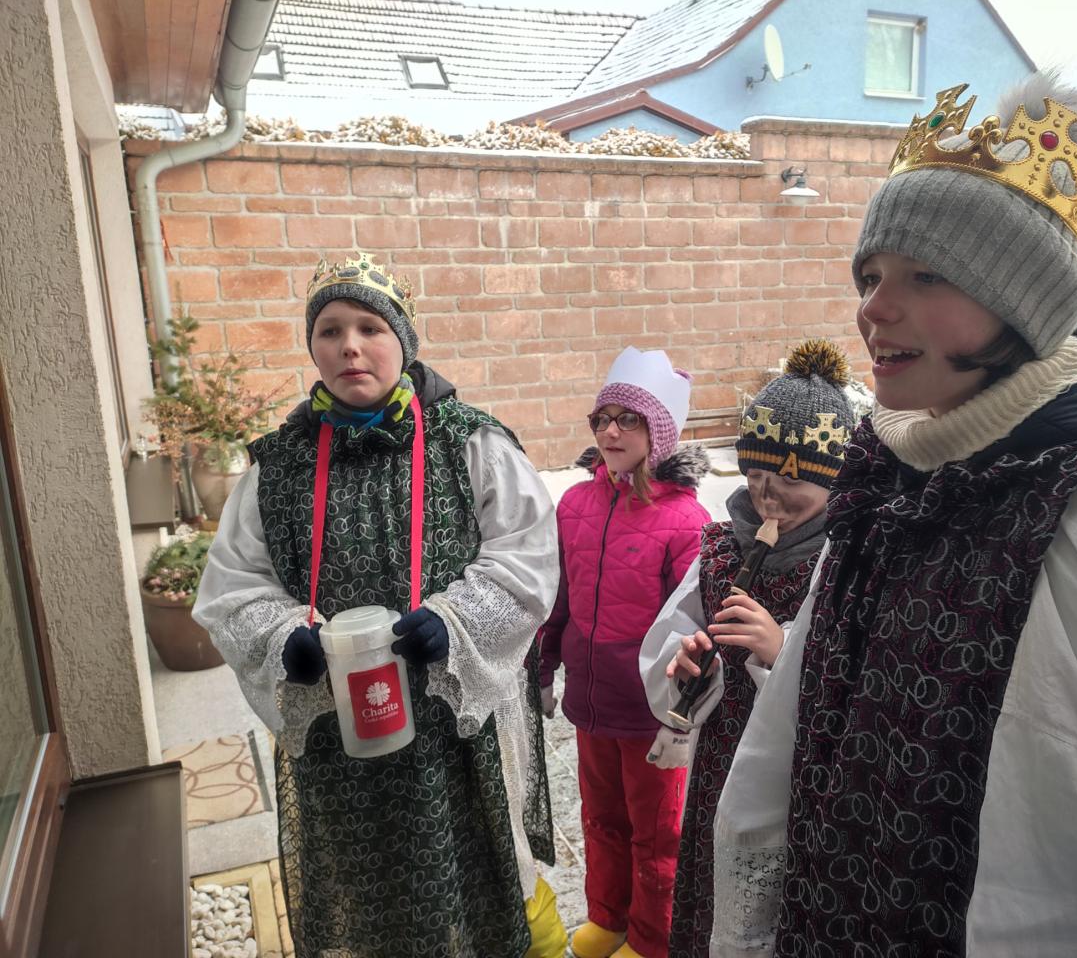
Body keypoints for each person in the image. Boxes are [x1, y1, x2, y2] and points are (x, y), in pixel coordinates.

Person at [709, 74, 1077, 957]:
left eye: (927, 275)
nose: (872, 309)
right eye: (871, 275)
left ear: (1023, 306)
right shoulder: (896, 476)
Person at [193, 252, 567, 958]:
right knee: (369, 886)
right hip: (340, 728)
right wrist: (282, 639)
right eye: (330, 330)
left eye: (370, 327)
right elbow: (234, 583)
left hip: (453, 718)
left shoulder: (469, 442)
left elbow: (527, 556)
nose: (350, 346)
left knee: (485, 867)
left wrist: (456, 622)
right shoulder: (279, 465)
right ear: (313, 346)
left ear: (404, 341)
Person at [639, 340, 863, 958]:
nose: (769, 497)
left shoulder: (844, 562)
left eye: (791, 479)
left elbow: (852, 679)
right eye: (757, 476)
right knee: (715, 884)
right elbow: (669, 637)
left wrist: (779, 649)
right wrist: (685, 664)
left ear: (833, 479)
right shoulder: (719, 549)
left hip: (797, 782)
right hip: (720, 762)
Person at [538, 347, 711, 958]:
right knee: (600, 818)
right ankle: (608, 917)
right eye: (602, 419)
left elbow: (693, 623)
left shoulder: (684, 521)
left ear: (657, 431)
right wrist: (544, 665)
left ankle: (651, 938)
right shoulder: (573, 506)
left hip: (650, 712)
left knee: (656, 833)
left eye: (628, 419)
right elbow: (558, 596)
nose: (611, 432)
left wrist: (684, 702)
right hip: (592, 700)